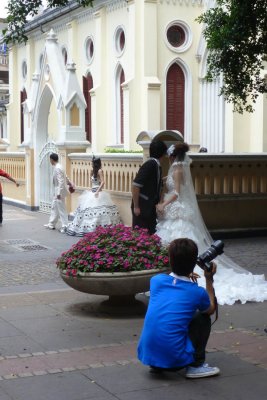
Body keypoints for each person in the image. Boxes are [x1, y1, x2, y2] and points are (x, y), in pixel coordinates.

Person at [155, 143, 267, 305]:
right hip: (175, 209)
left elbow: (178, 193)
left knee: (179, 237)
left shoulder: (178, 169)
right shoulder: (176, 168)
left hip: (177, 209)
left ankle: (182, 270)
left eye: (170, 155)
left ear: (173, 156)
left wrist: (163, 204)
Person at [138, 238, 220, 378]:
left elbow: (175, 287)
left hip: (148, 354)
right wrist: (208, 279)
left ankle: (157, 365)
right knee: (201, 317)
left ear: (170, 259)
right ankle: (195, 366)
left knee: (171, 314)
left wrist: (185, 275)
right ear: (194, 262)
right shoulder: (196, 292)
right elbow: (211, 309)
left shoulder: (156, 281)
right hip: (175, 359)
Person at [66, 156, 120, 236]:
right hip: (92, 193)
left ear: (96, 163)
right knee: (86, 211)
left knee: (100, 212)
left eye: (93, 162)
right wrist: (91, 190)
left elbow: (103, 182)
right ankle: (88, 229)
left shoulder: (100, 171)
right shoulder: (92, 171)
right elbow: (92, 182)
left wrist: (97, 191)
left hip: (98, 193)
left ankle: (100, 229)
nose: (92, 164)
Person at [131, 140, 167, 234]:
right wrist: (136, 206)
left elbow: (152, 182)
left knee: (150, 233)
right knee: (141, 235)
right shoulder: (150, 165)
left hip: (150, 206)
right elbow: (135, 185)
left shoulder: (155, 165)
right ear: (162, 154)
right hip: (142, 206)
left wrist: (163, 180)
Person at [44, 153, 73, 233]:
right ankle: (51, 224)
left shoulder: (57, 168)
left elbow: (61, 180)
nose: (50, 161)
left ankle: (65, 226)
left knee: (61, 208)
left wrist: (59, 193)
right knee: (54, 207)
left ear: (52, 160)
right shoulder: (60, 166)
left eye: (50, 160)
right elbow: (65, 176)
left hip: (59, 190)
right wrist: (70, 183)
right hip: (58, 190)